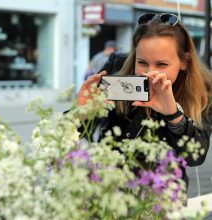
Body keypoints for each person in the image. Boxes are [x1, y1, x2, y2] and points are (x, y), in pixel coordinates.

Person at [77, 13, 212, 193]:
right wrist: (82, 112)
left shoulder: (203, 90)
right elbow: (75, 133)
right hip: (106, 188)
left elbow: (196, 156)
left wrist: (174, 115)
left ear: (184, 62)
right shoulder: (117, 67)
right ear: (135, 56)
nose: (149, 73)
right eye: (142, 62)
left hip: (161, 196)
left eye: (161, 64)